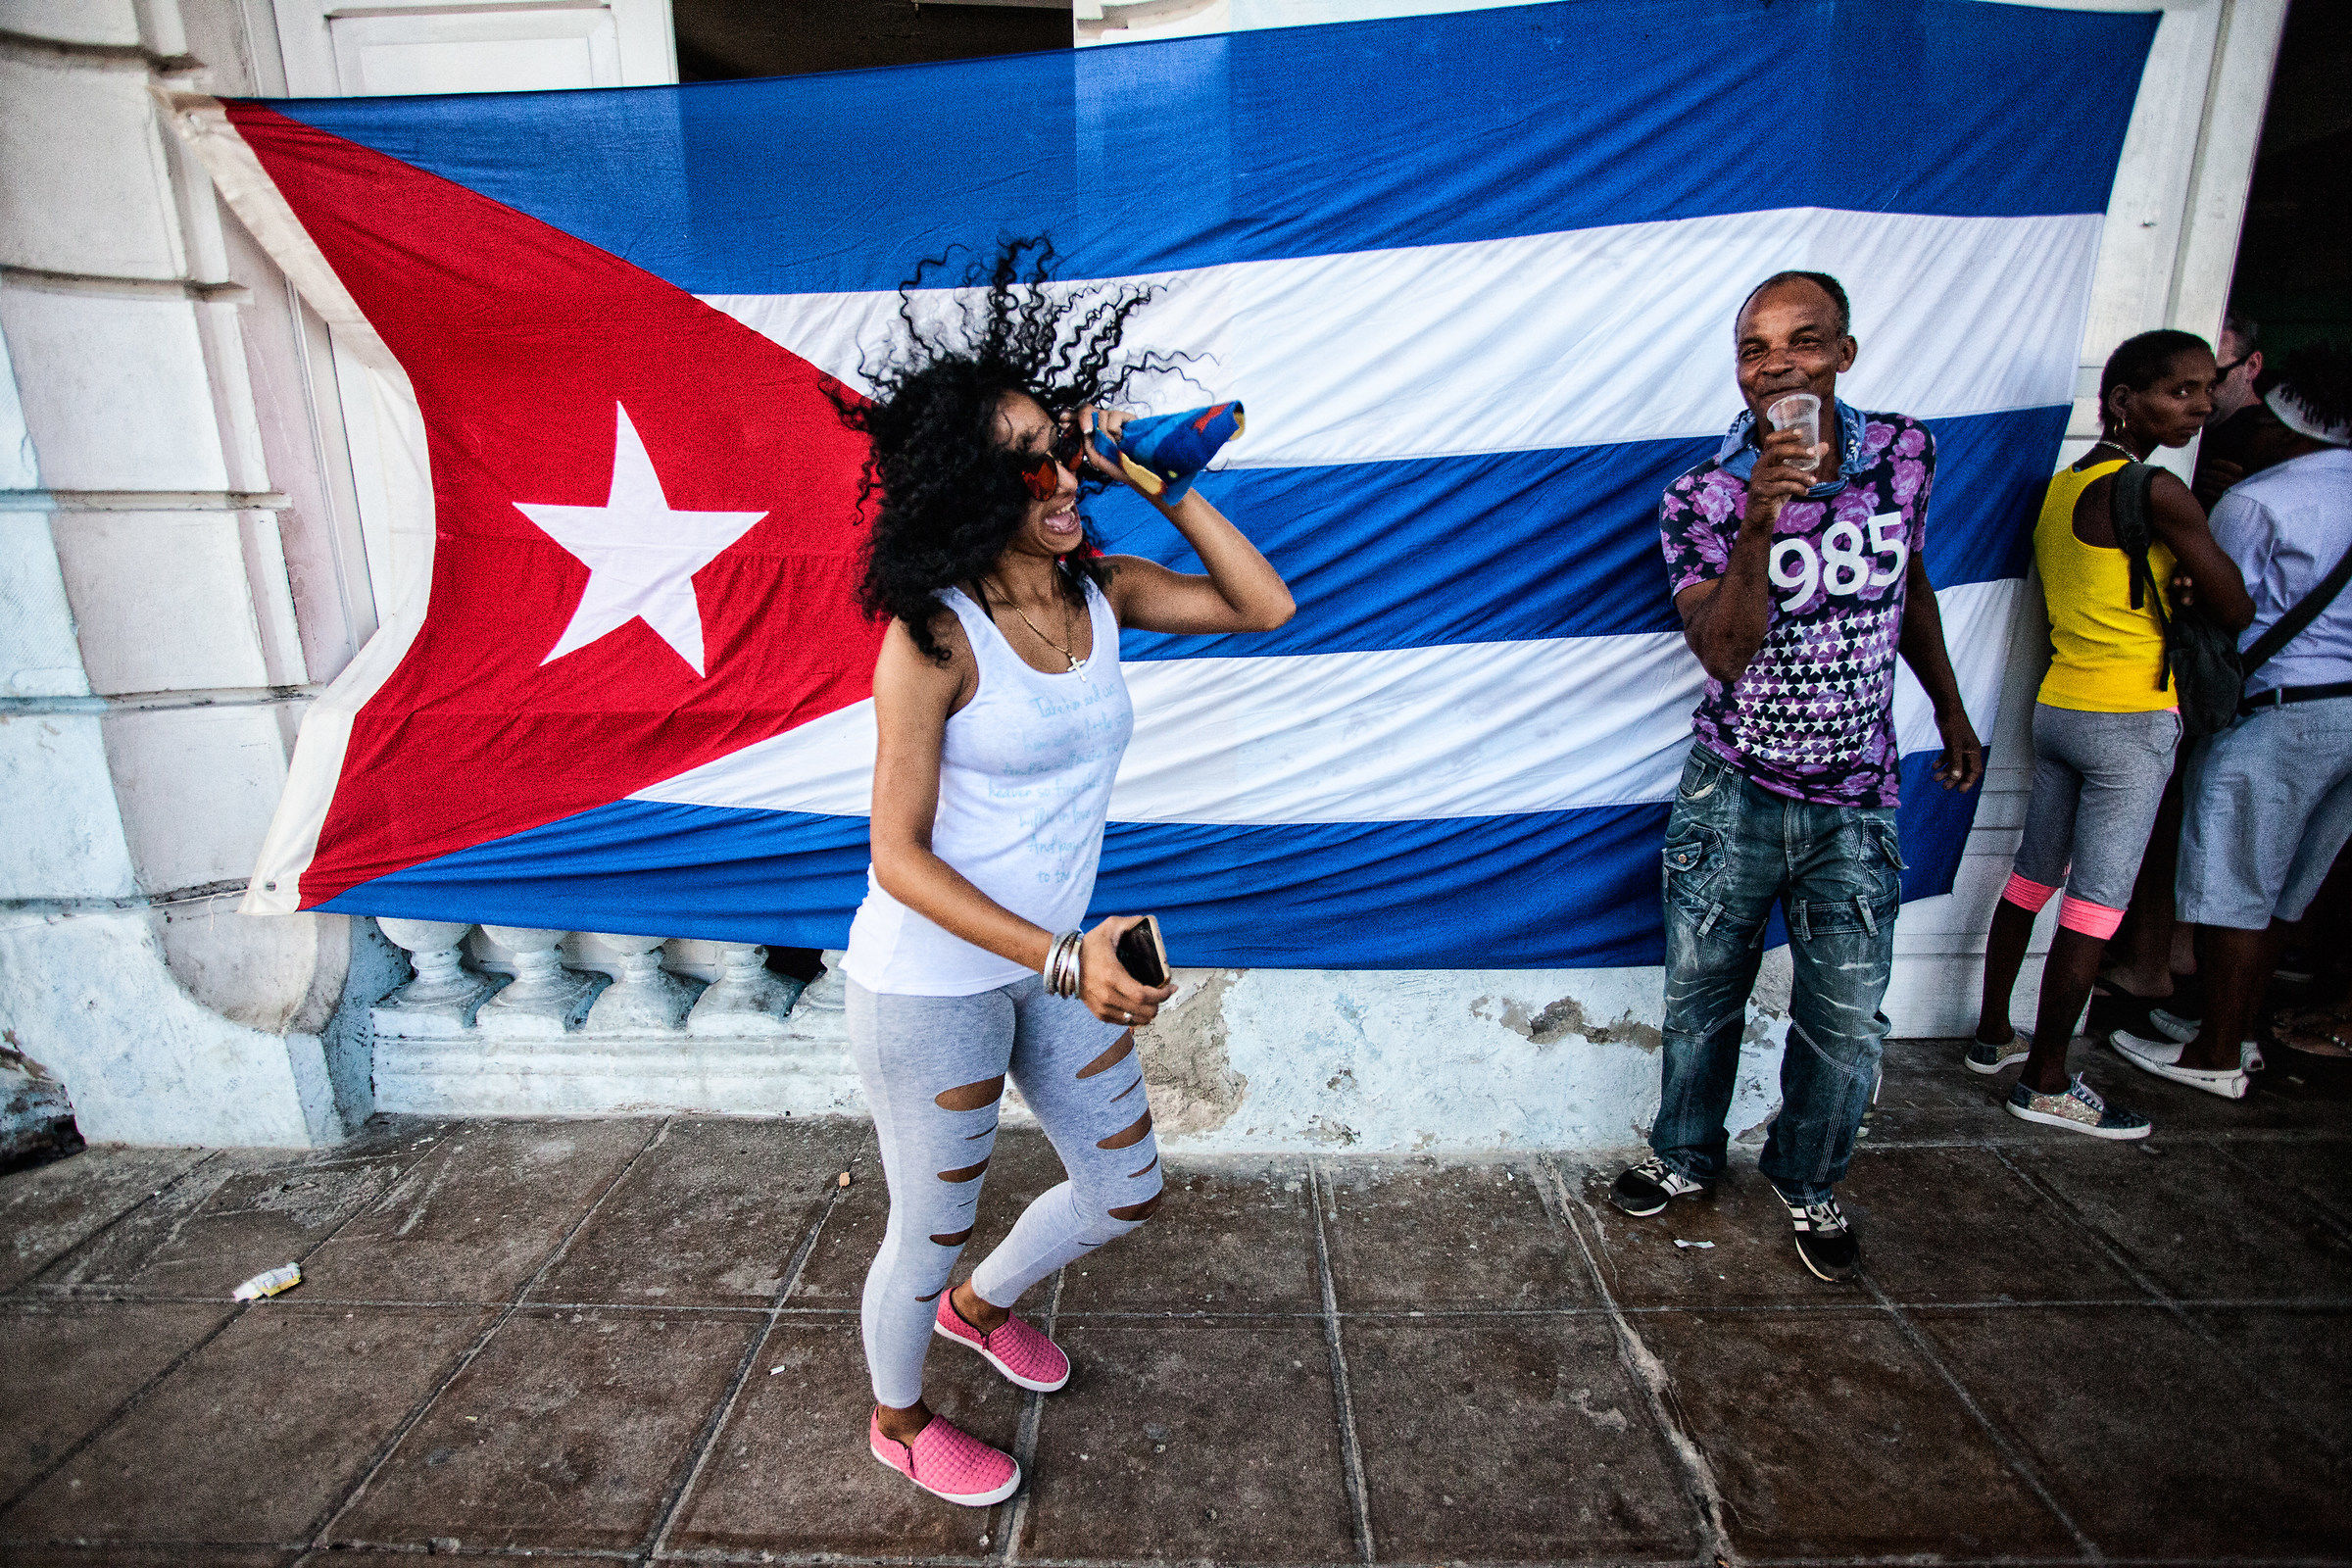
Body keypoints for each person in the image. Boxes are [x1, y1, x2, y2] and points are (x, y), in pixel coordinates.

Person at [837, 242, 1294, 1504]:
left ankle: (983, 1309)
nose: (1058, 473)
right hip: (938, 979)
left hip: (1055, 963)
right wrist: (1058, 957)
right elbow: (894, 856)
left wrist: (1160, 478)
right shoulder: (933, 634)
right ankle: (898, 1415)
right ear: (965, 489)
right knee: (923, 1232)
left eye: (1063, 444)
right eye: (1026, 459)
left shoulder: (1099, 593)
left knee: (1126, 1187)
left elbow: (1266, 608)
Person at [1610, 270, 1984, 1283]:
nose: (1777, 364)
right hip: (1733, 787)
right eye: (1755, 350)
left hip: (1856, 795)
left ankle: (1808, 1178)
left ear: (1844, 355)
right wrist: (1760, 524)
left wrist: (1950, 709)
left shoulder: (1906, 452)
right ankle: (1684, 1155)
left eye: (1802, 341)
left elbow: (1910, 587)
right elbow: (1724, 651)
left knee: (1846, 1017)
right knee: (1703, 995)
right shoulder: (1703, 496)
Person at [1967, 330, 2251, 1136]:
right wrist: (2195, 587)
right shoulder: (2158, 491)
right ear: (2125, 400)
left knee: (2030, 878)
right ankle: (2048, 1078)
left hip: (2060, 706)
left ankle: (1993, 1035)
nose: (2198, 407)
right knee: (2096, 907)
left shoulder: (2061, 488)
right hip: (2129, 720)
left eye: (2205, 389)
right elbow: (2236, 608)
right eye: (2180, 392)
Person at [2113, 346, 2352, 1097]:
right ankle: (2236, 1030)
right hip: (2348, 711)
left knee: (2238, 887)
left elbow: (2224, 605)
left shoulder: (2261, 501)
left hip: (2280, 714)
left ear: (2286, 426)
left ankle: (2214, 1054)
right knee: (2288, 891)